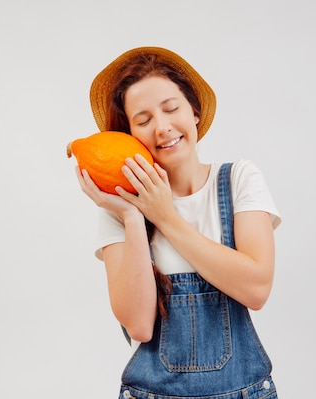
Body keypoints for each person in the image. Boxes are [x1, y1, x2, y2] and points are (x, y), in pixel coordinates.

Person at [75, 46, 282, 399]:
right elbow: (139, 325)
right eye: (143, 120)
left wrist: (165, 216)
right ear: (128, 136)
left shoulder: (239, 180)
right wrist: (132, 215)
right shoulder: (118, 207)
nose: (163, 127)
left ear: (195, 111)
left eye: (171, 109)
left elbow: (256, 288)